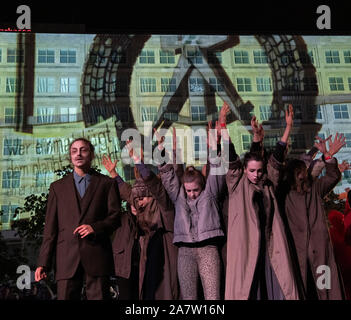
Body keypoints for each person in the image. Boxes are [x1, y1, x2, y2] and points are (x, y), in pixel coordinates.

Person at [225, 104, 301, 300]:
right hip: (246, 248)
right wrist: (223, 126)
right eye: (251, 171)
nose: (256, 175)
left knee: (277, 286)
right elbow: (231, 156)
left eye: (259, 171)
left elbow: (276, 158)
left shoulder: (268, 183)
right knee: (249, 288)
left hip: (268, 246)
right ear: (244, 170)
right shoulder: (236, 184)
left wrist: (288, 128)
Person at [156, 104, 228, 300]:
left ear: (202, 186)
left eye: (195, 190)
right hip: (185, 250)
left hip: (208, 250)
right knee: (189, 298)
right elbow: (167, 175)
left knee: (213, 297)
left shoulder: (210, 193)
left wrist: (214, 144)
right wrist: (161, 149)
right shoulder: (179, 196)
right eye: (189, 190)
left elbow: (216, 166)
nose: (192, 194)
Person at [35, 138, 121, 300]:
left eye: (83, 150)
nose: (78, 154)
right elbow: (50, 230)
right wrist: (43, 262)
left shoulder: (106, 184)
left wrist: (95, 228)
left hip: (97, 254)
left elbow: (115, 217)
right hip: (66, 257)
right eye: (74, 151)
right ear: (70, 156)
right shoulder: (57, 188)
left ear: (91, 154)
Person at [102, 142, 179, 300]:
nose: (139, 203)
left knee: (166, 291)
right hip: (147, 248)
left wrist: (137, 160)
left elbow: (153, 183)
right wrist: (113, 173)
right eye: (136, 199)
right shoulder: (138, 202)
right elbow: (125, 192)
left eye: (142, 198)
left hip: (165, 246)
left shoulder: (163, 203)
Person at [278, 132, 346, 299]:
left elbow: (332, 176)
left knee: (326, 290)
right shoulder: (283, 195)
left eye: (305, 171)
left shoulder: (314, 188)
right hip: (297, 253)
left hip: (320, 252)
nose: (304, 174)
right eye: (300, 171)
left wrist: (328, 156)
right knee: (303, 290)